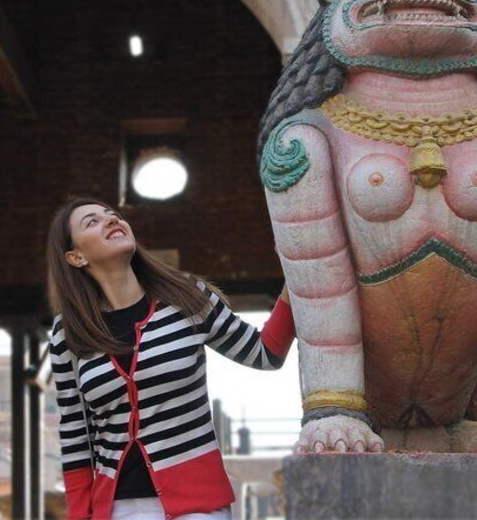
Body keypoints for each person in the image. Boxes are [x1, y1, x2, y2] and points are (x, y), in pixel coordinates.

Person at [46, 197, 295, 520]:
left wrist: (299, 273)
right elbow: (75, 436)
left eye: (113, 215)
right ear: (76, 256)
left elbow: (266, 353)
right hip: (116, 508)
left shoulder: (187, 299)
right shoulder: (68, 333)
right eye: (92, 222)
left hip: (199, 505)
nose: (110, 220)